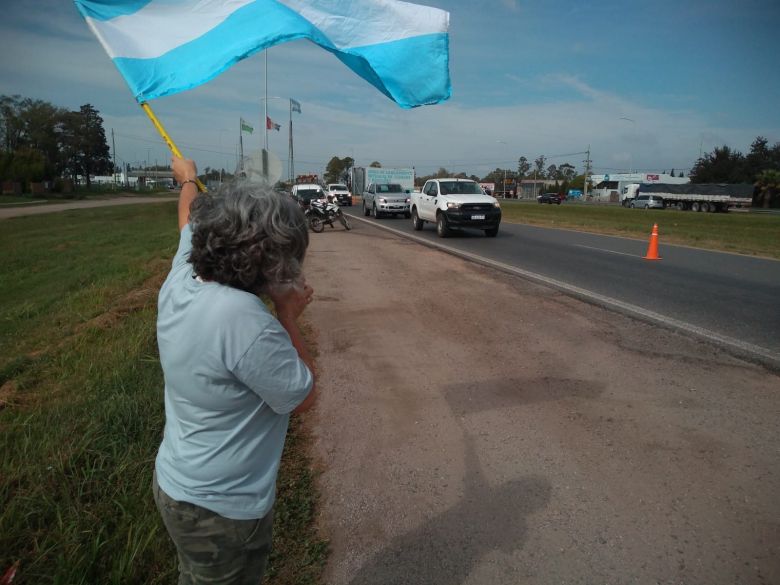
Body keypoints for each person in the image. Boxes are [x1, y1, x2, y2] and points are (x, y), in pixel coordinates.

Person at [152, 156, 317, 585]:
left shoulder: (184, 275)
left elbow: (187, 217)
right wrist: (288, 313)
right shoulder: (244, 321)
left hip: (177, 482)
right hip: (222, 511)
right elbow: (302, 398)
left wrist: (188, 177)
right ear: (269, 258)